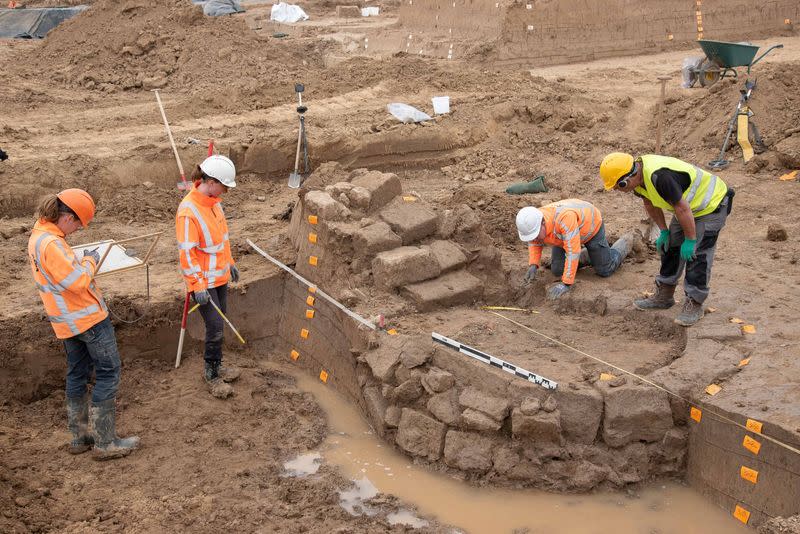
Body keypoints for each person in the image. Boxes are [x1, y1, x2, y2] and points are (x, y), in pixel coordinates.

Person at [28, 189, 139, 459]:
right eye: (78, 223)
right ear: (66, 217)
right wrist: (91, 260)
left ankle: (80, 438)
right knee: (108, 372)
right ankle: (105, 442)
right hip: (87, 320)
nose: (78, 229)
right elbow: (78, 282)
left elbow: (62, 274)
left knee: (77, 374)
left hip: (67, 323)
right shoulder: (52, 244)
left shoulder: (40, 235)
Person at [599, 152, 733, 326]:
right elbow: (650, 203)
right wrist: (664, 231)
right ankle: (664, 295)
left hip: (711, 205)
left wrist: (691, 240)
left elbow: (681, 208)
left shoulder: (660, 177)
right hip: (687, 208)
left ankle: (695, 302)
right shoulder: (638, 181)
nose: (619, 191)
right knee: (671, 246)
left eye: (618, 187)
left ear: (627, 178)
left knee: (697, 254)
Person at [176, 155, 241, 397]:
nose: (226, 191)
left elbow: (222, 238)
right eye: (224, 186)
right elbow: (187, 253)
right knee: (214, 326)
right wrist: (197, 285)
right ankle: (211, 373)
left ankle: (218, 364)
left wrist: (230, 262)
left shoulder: (214, 203)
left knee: (220, 322)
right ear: (211, 181)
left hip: (220, 276)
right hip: (202, 282)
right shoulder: (188, 211)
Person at [516, 199, 634, 300]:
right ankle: (591, 254)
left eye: (535, 234)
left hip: (590, 228)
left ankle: (627, 241)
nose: (534, 239)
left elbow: (572, 252)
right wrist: (533, 264)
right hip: (564, 237)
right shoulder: (534, 220)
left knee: (605, 270)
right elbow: (534, 242)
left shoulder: (564, 219)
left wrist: (566, 284)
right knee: (557, 270)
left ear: (542, 223)